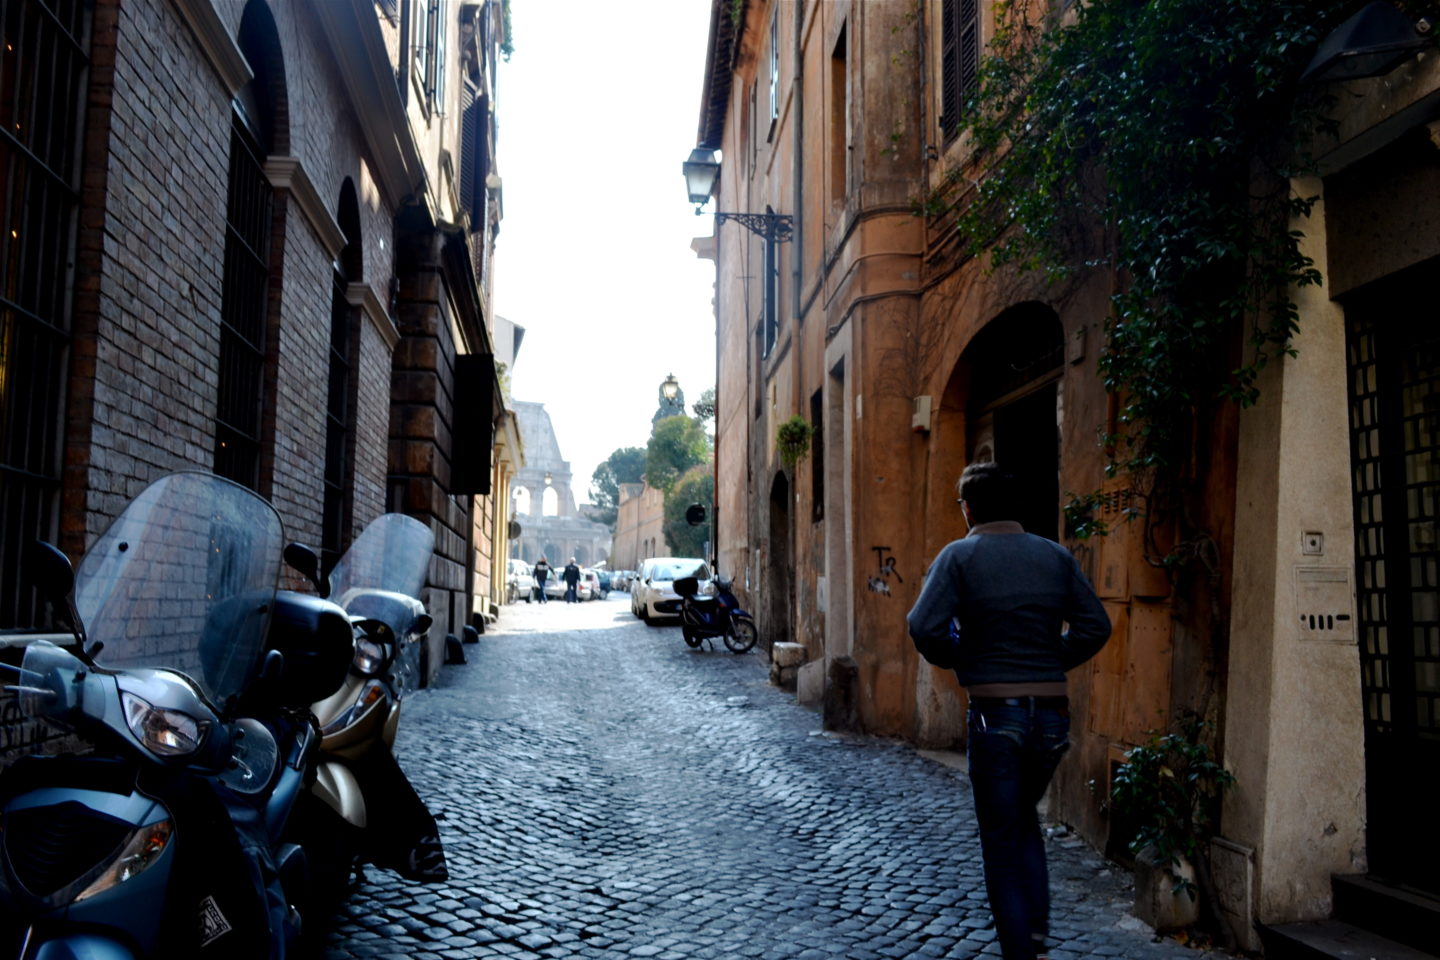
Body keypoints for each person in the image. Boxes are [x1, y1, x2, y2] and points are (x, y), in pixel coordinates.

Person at [907, 462, 1111, 960]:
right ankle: (1036, 938)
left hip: (995, 712)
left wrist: (966, 658)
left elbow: (924, 626)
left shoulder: (959, 556)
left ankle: (1020, 953)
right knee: (1023, 822)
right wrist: (1048, 658)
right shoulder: (1053, 556)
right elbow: (1095, 626)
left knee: (1001, 840)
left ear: (968, 508)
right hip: (1051, 714)